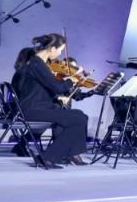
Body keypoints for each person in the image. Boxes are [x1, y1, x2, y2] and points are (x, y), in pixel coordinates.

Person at [13, 34, 89, 169]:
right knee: (79, 119)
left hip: (35, 107)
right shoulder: (37, 64)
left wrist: (57, 98)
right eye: (60, 50)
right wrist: (70, 80)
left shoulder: (36, 63)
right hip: (32, 110)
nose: (60, 54)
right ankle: (48, 157)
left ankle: (69, 153)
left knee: (80, 115)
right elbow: (57, 87)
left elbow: (40, 90)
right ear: (52, 49)